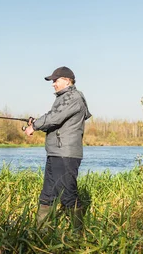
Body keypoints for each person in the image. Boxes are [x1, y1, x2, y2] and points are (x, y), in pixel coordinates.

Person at [25, 66, 91, 226]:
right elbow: (53, 119)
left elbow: (55, 118)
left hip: (65, 154)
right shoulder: (63, 98)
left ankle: (78, 234)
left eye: (55, 80)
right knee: (47, 194)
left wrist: (34, 127)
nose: (53, 84)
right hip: (55, 152)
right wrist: (37, 122)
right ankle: (41, 231)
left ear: (67, 81)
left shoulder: (73, 97)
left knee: (68, 195)